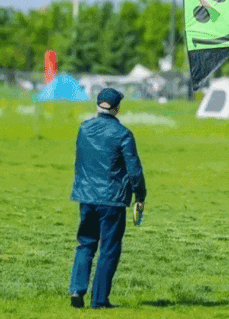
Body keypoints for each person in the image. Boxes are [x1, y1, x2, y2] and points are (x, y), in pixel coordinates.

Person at [69, 88, 147, 309]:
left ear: (98, 105)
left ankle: (77, 290)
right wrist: (140, 195)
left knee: (85, 244)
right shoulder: (123, 134)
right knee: (109, 249)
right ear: (117, 109)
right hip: (112, 199)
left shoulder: (84, 128)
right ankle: (99, 300)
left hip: (86, 197)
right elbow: (134, 170)